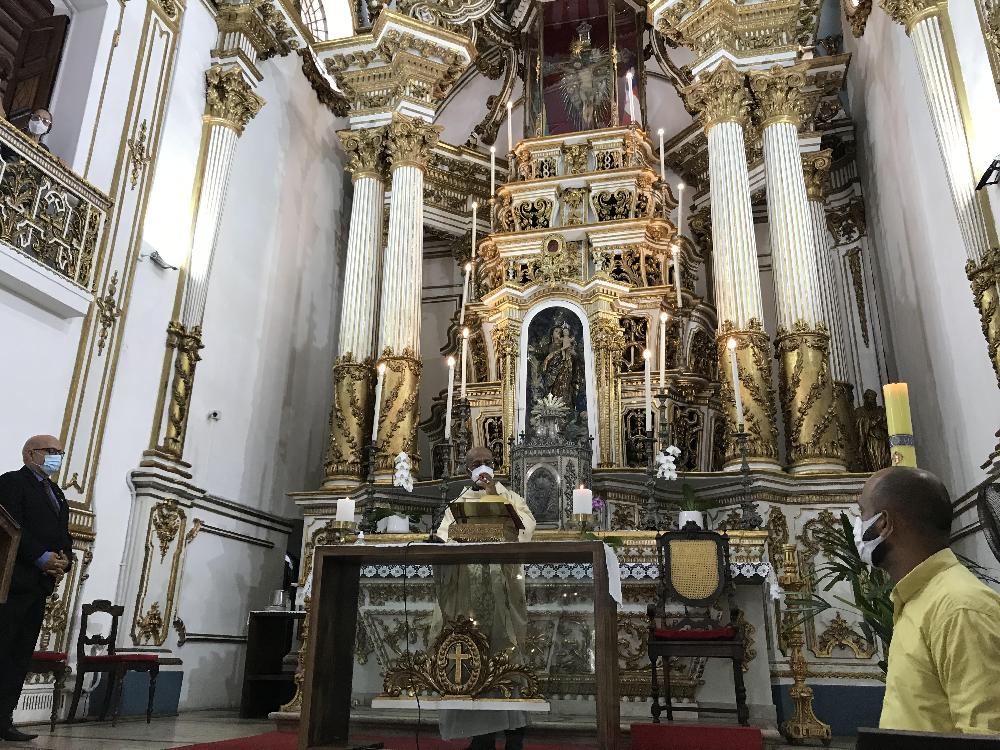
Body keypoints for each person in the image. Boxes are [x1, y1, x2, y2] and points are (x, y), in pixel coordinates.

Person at [857, 467, 1000, 734]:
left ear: (883, 524)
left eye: (862, 512)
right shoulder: (917, 599)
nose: (858, 524)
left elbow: (986, 736)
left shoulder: (961, 608)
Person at [433, 446, 536, 750]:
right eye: (475, 464)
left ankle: (514, 735)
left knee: (507, 658)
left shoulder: (511, 498)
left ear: (496, 466)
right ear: (467, 471)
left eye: (487, 462)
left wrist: (496, 497)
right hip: (469, 595)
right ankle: (482, 736)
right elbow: (443, 537)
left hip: (503, 592)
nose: (482, 468)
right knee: (472, 659)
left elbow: (526, 528)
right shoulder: (459, 503)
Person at [0, 435, 73, 742]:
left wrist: (64, 560)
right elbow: (10, 525)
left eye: (60, 452)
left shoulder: (56, 491)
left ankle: (3, 719)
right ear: (31, 453)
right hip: (13, 582)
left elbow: (62, 533)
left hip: (39, 586)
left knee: (19, 655)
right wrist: (41, 558)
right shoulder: (12, 482)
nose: (57, 456)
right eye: (51, 451)